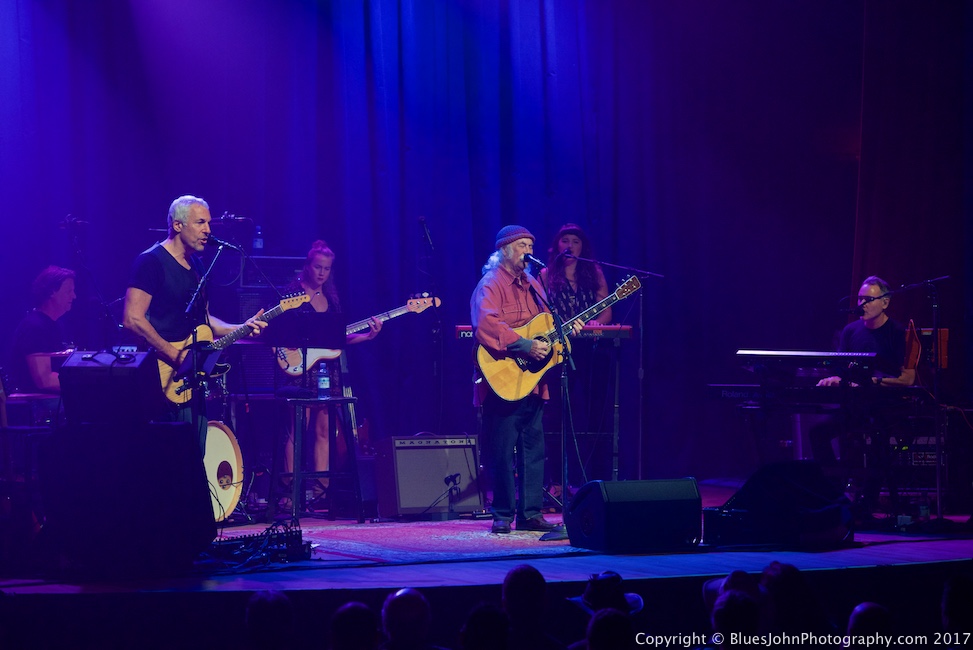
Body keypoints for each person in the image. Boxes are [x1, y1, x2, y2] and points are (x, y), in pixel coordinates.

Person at [123, 195, 267, 449]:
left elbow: (205, 320)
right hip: (160, 378)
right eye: (201, 223)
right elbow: (132, 319)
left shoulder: (197, 266)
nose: (208, 230)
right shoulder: (151, 262)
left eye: (208, 223)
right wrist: (175, 356)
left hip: (192, 380)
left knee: (195, 453)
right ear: (177, 225)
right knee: (167, 457)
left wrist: (241, 327)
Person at [470, 225, 582, 534]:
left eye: (531, 245)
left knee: (534, 449)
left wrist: (566, 332)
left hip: (532, 381)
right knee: (502, 450)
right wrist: (524, 345)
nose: (528, 251)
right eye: (522, 245)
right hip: (502, 377)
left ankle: (530, 513)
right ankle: (503, 514)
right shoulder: (491, 283)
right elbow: (486, 324)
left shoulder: (534, 284)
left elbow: (546, 326)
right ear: (504, 250)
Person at [810, 276, 916, 518]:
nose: (862, 304)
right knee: (818, 432)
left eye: (869, 299)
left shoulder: (898, 333)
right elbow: (842, 371)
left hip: (886, 408)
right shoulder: (851, 331)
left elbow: (908, 379)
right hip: (855, 406)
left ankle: (868, 503)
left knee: (878, 438)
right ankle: (834, 492)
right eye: (860, 299)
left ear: (885, 303)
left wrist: (871, 382)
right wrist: (834, 378)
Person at [281, 239, 381, 489]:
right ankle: (290, 491)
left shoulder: (332, 298)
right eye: (318, 267)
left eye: (326, 269)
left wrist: (368, 336)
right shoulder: (292, 293)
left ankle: (321, 490)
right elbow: (277, 331)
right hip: (300, 369)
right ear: (308, 265)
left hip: (327, 371)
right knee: (297, 430)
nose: (322, 273)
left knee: (325, 430)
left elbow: (338, 339)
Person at [539, 223, 615, 484]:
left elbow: (606, 309)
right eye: (565, 240)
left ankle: (596, 479)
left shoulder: (594, 272)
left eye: (575, 241)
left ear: (583, 247)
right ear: (557, 245)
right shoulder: (546, 274)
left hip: (591, 348)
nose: (570, 246)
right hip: (558, 349)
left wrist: (597, 324)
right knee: (557, 412)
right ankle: (558, 481)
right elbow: (541, 311)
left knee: (595, 410)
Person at [6, 266, 77, 394]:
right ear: (52, 292)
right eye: (69, 291)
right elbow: (45, 380)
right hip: (37, 401)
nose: (74, 296)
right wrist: (83, 381)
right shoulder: (35, 327)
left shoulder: (54, 325)